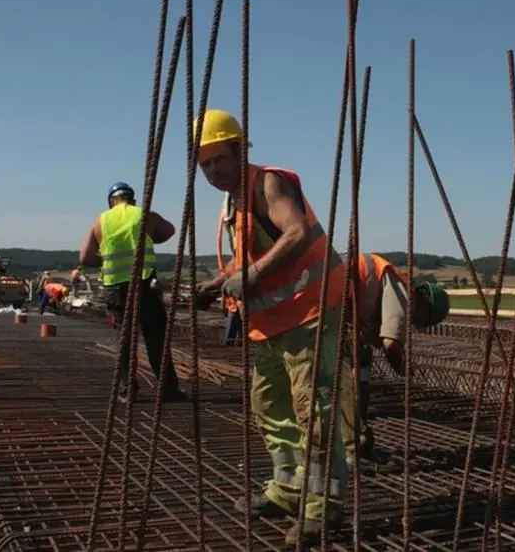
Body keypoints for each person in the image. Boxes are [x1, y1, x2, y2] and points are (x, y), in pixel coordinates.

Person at [193, 109, 350, 546]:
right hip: (271, 323)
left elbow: (296, 232)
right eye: (204, 164)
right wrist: (218, 283)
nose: (212, 170)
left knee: (314, 413)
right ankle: (290, 488)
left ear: (239, 150)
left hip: (309, 311)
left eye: (218, 159)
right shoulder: (233, 200)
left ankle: (324, 509)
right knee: (268, 406)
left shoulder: (267, 184)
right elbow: (249, 259)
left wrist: (253, 275)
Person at [79, 181, 186, 403]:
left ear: (111, 202)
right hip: (145, 284)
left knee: (124, 339)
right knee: (156, 338)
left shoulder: (101, 221)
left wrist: (103, 258)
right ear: (132, 199)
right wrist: (149, 236)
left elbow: (85, 258)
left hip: (116, 289)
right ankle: (168, 390)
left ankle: (128, 391)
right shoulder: (144, 214)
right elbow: (170, 231)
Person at [342, 253, 450, 466]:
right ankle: (355, 448)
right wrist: (404, 370)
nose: (414, 321)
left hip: (324, 301)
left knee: (360, 361)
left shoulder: (382, 283)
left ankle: (350, 442)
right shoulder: (402, 289)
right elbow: (391, 344)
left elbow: (366, 320)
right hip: (329, 305)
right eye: (420, 319)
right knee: (342, 384)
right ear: (423, 304)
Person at [215, 192, 243, 346]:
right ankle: (232, 344)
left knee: (238, 331)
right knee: (235, 331)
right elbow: (225, 294)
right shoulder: (233, 270)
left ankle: (234, 344)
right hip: (234, 308)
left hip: (237, 308)